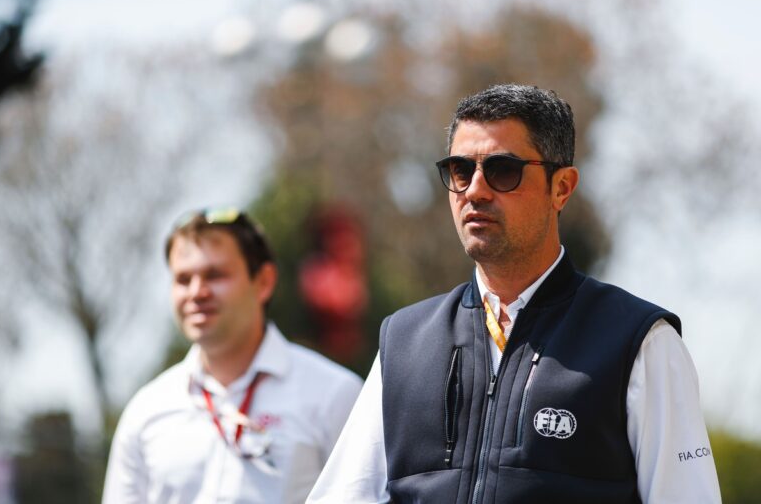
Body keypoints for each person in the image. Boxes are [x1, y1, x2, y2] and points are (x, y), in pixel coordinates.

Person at [307, 84, 721, 504]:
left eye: (503, 170)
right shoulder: (404, 342)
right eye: (460, 170)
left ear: (561, 188)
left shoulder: (639, 342)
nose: (475, 190)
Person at [103, 208, 363, 504]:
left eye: (215, 275)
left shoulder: (334, 395)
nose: (197, 292)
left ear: (263, 282)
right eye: (183, 279)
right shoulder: (146, 412)